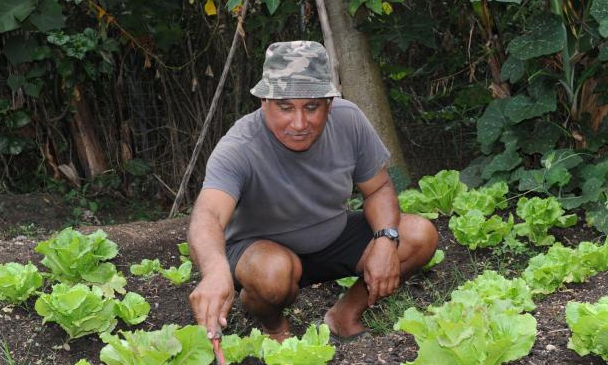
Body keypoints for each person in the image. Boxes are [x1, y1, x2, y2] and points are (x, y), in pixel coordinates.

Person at [187, 40, 438, 342]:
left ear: (329, 103)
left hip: (333, 236)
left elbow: (379, 188)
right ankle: (274, 327)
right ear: (264, 102)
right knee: (271, 273)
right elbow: (208, 214)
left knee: (419, 236)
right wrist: (215, 271)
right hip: (263, 253)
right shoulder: (239, 147)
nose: (299, 122)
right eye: (285, 107)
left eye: (311, 107)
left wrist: (385, 241)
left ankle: (345, 314)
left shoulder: (348, 120)